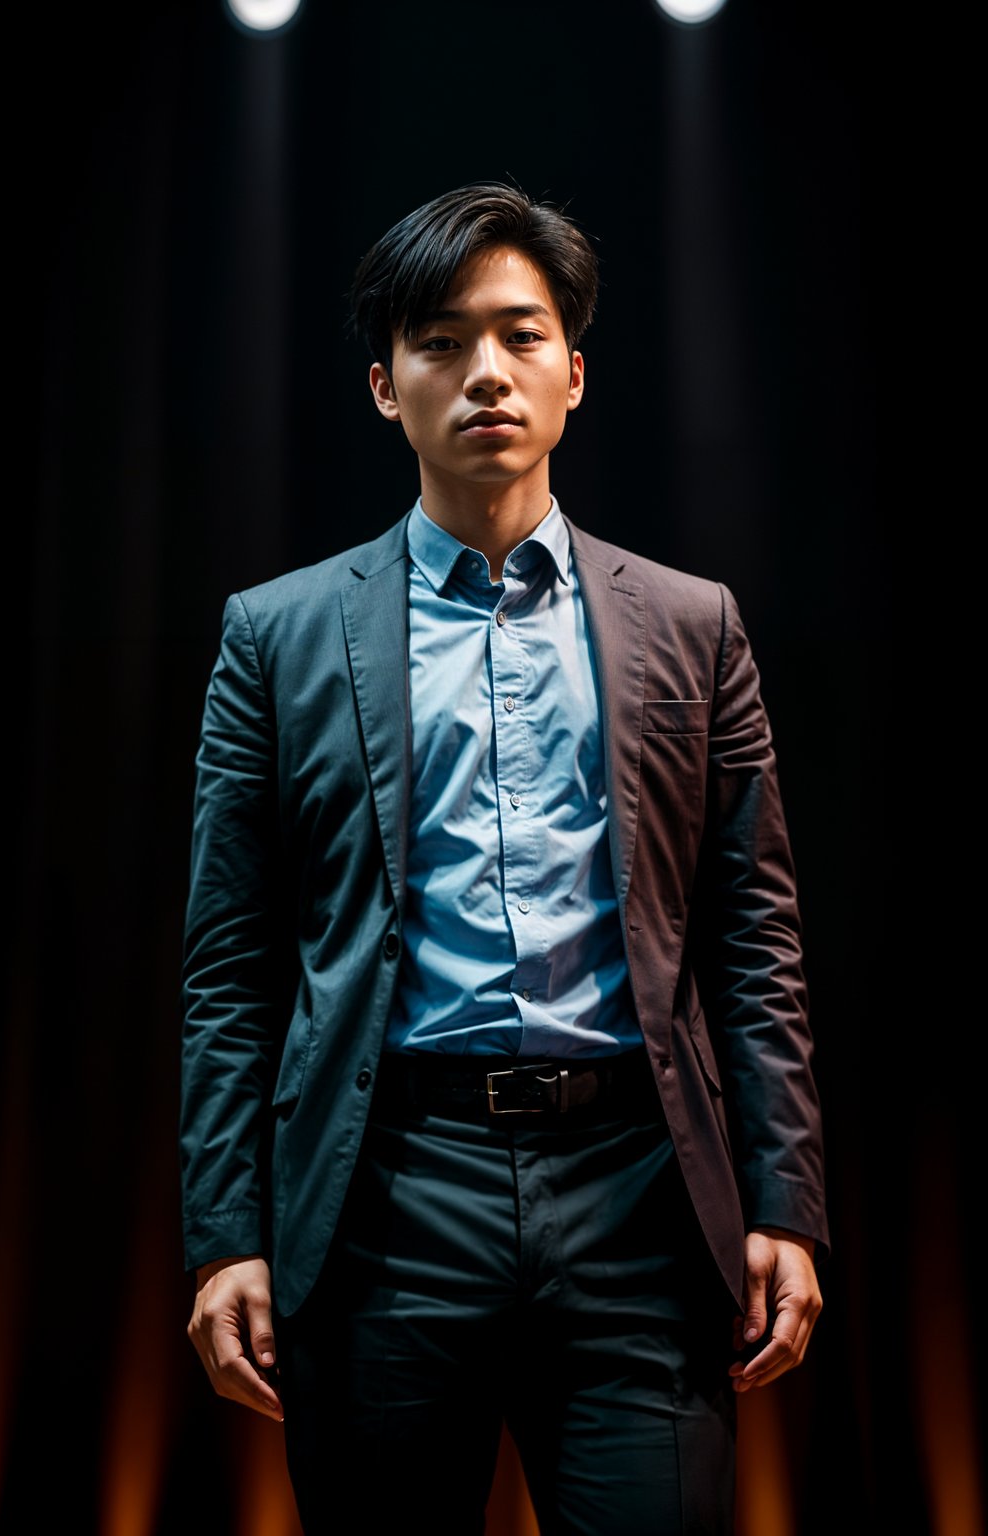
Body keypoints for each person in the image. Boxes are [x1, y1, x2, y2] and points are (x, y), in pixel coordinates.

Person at [181, 182, 827, 1535]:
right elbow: (229, 965)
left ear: (574, 373)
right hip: (387, 1195)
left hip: (639, 1196)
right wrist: (227, 1233)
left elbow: (751, 937)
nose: (486, 372)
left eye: (521, 336)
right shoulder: (275, 634)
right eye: (440, 340)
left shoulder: (693, 628)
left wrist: (787, 1204)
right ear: (384, 385)